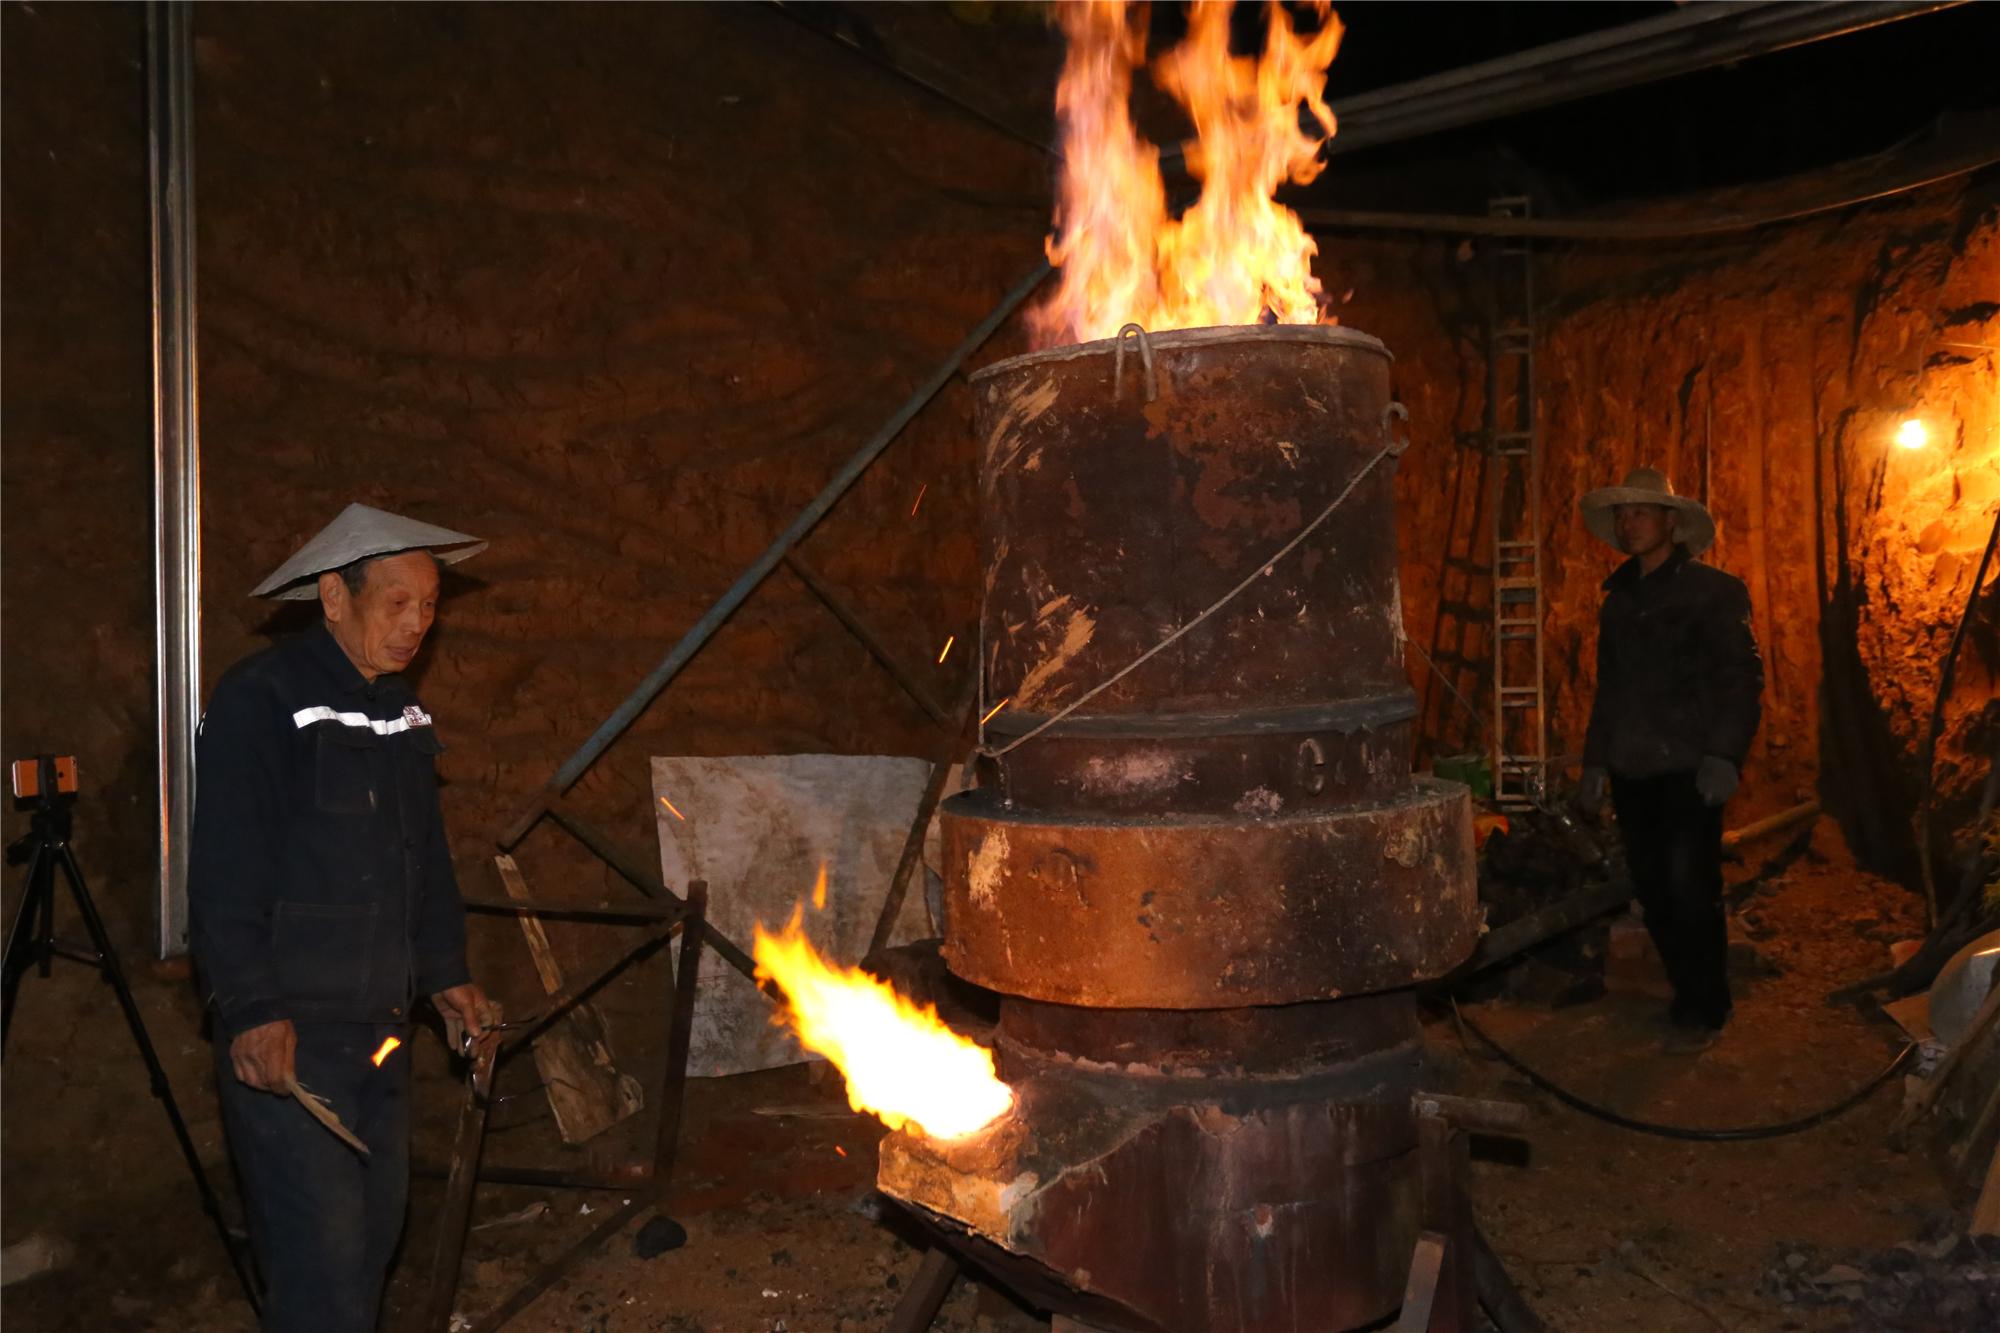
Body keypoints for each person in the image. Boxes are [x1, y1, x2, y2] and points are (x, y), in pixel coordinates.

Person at [190, 503, 500, 1331]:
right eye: (398, 602)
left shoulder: (399, 711)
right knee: (320, 1266)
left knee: (370, 1244)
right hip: (294, 1041)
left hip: (379, 1034)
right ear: (334, 595)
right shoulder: (263, 700)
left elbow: (422, 859)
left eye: (430, 605)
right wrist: (252, 1010)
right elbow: (224, 869)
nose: (417, 624)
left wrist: (447, 974)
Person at [1575, 468, 1763, 1054]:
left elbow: (1740, 678)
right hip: (1634, 766)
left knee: (1690, 885)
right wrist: (1595, 763)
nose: (1629, 523)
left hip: (1687, 766)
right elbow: (1609, 689)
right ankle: (1687, 991)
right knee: (1654, 887)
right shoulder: (1619, 602)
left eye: (1641, 513)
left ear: (1671, 523)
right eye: (1622, 515)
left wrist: (1723, 755)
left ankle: (1707, 1001)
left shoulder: (1713, 592)